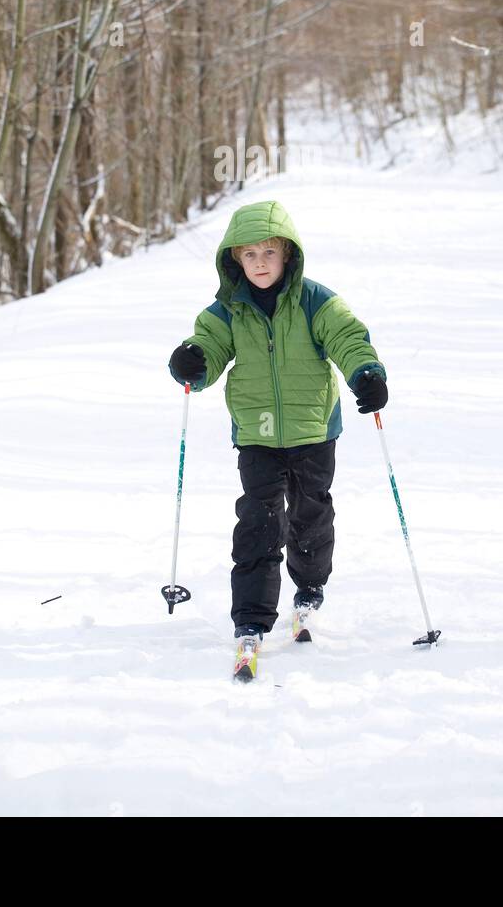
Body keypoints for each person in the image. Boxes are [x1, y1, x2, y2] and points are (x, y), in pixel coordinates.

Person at [168, 200, 387, 668]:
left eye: (269, 252)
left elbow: (348, 336)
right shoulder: (228, 311)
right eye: (249, 255)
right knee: (259, 522)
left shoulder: (315, 301)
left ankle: (309, 587)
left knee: (310, 515)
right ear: (235, 260)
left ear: (288, 254)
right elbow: (208, 343)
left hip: (313, 428)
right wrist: (192, 359)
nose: (260, 263)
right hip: (257, 435)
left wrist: (365, 371)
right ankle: (251, 617)